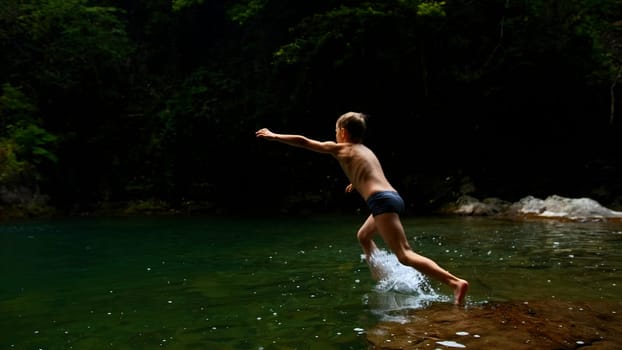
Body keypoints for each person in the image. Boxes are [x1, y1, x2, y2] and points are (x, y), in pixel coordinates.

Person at [255, 111, 469, 305]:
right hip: (391, 197)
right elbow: (368, 172)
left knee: (404, 254)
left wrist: (274, 136)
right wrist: (356, 183)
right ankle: (384, 275)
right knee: (363, 236)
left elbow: (304, 142)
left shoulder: (341, 149)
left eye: (336, 132)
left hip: (381, 201)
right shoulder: (365, 150)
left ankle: (455, 282)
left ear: (342, 132)